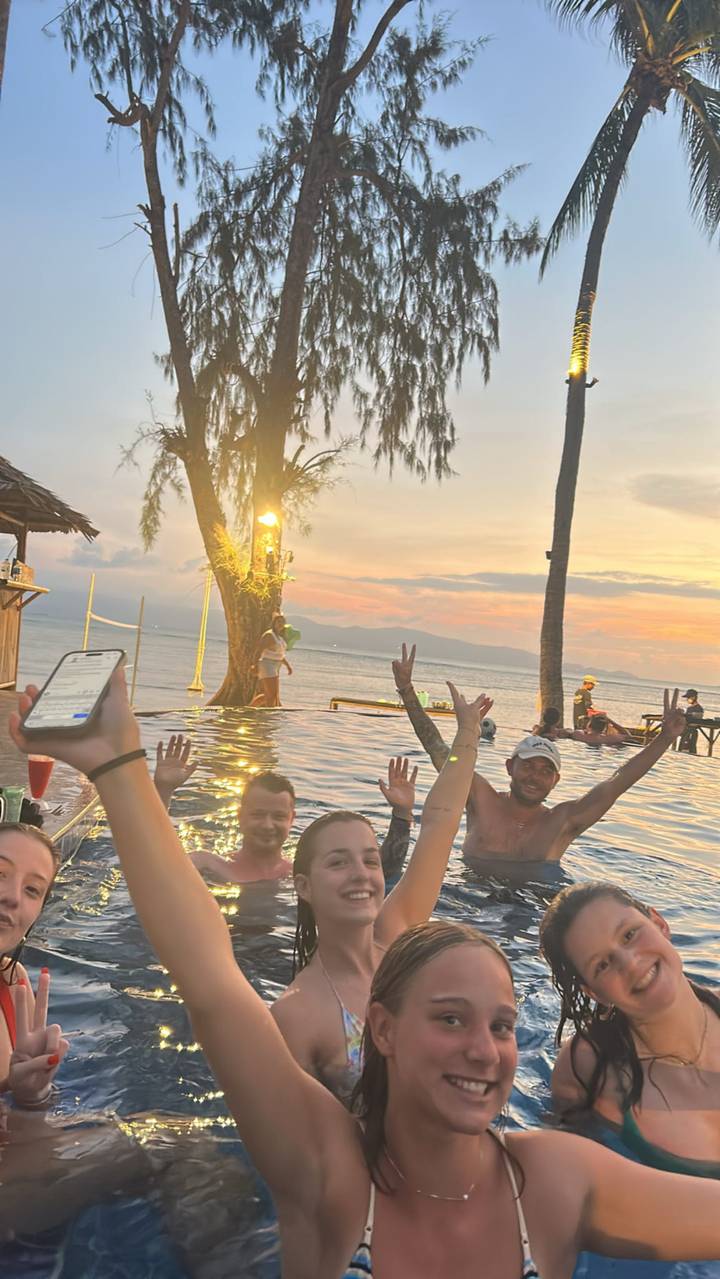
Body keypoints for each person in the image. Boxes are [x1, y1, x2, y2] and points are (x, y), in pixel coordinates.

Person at [10, 678, 720, 1275]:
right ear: (382, 1028)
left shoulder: (557, 1179)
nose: (487, 1047)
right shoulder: (331, 1175)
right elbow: (208, 974)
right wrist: (119, 767)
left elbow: (441, 827)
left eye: (502, 1024)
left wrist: (467, 737)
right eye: (450, 1017)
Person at [270, 689, 492, 1103]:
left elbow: (441, 823)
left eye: (370, 861)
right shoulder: (297, 1013)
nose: (361, 875)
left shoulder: (396, 938)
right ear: (303, 886)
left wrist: (467, 736)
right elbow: (297, 1140)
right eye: (338, 863)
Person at [393, 644, 688, 865]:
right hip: (470, 903)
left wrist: (663, 740)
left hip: (532, 911)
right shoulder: (480, 798)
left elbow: (617, 783)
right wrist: (407, 690)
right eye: (529, 766)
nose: (535, 776)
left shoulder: (562, 822)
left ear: (556, 780)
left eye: (546, 770)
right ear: (510, 767)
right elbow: (440, 752)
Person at [539, 880, 720, 1177]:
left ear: (660, 924)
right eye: (602, 965)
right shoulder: (588, 1069)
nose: (631, 963)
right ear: (594, 993)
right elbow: (561, 1185)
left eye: (630, 935)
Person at [155, 744, 417, 887]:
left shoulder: (300, 877)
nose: (268, 825)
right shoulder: (208, 866)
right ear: (240, 816)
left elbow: (383, 874)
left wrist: (402, 813)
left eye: (278, 816)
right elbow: (157, 865)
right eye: (258, 814)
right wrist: (162, 792)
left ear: (292, 819)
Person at [250, 612, 292, 707]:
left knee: (271, 695)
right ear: (274, 623)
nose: (281, 624)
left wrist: (288, 666)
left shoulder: (279, 638)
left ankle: (250, 708)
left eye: (282, 622)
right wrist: (254, 665)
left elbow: (280, 655)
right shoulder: (269, 635)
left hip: (275, 665)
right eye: (278, 622)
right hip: (267, 665)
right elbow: (259, 650)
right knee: (271, 695)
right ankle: (267, 715)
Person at [679, 688, 705, 755]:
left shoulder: (699, 708)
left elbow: (698, 717)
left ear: (693, 697)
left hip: (691, 729)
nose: (687, 699)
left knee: (690, 743)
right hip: (685, 728)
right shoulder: (689, 708)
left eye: (688, 698)